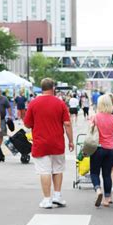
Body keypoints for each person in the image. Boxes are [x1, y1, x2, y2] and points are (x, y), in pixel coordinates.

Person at [24, 78, 74, 209]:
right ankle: (57, 196)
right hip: (57, 142)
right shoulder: (60, 103)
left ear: (41, 88)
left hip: (40, 143)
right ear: (53, 88)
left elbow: (27, 123)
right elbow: (67, 124)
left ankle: (47, 199)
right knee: (57, 169)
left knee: (44, 171)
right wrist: (71, 141)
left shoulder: (33, 103)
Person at [89, 94, 113, 207]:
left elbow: (90, 133)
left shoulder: (95, 117)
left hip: (97, 148)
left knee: (94, 172)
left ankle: (98, 190)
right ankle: (107, 199)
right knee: (107, 174)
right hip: (110, 149)